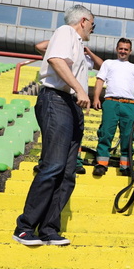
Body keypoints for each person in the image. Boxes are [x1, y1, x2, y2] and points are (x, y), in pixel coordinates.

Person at [13, 4, 94, 246]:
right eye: (92, 24)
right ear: (83, 21)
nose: (92, 29)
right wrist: (80, 89)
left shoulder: (77, 43)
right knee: (53, 165)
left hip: (71, 105)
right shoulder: (66, 32)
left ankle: (49, 228)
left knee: (68, 172)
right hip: (57, 100)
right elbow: (56, 59)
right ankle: (25, 226)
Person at [33, 40, 103, 174]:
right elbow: (39, 46)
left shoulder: (83, 58)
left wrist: (88, 52)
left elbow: (103, 65)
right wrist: (64, 40)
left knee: (74, 135)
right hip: (59, 95)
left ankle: (75, 162)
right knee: (53, 134)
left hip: (76, 99)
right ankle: (44, 162)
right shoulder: (60, 52)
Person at [92, 38, 134, 177]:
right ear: (117, 49)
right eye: (121, 48)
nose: (123, 51)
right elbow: (99, 81)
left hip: (129, 105)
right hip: (111, 102)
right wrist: (95, 98)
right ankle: (101, 164)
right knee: (106, 133)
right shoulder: (108, 63)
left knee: (128, 136)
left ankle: (126, 167)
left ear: (130, 51)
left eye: (126, 49)